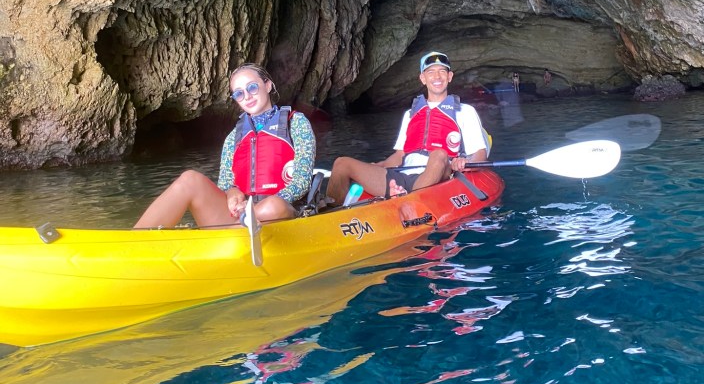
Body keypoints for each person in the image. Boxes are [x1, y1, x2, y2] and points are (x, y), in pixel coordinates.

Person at [134, 63, 316, 228]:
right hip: (238, 216)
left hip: (278, 213)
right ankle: (135, 241)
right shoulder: (233, 137)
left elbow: (302, 181)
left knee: (273, 205)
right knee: (190, 179)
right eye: (239, 93)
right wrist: (232, 194)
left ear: (267, 86)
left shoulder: (296, 123)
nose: (247, 96)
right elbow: (225, 185)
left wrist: (254, 208)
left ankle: (235, 230)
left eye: (252, 87)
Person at [326, 51, 490, 205]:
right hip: (401, 176)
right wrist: (380, 165)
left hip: (439, 173)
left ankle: (407, 201)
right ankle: (327, 214)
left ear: (450, 76)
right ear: (423, 78)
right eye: (430, 72)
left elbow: (480, 153)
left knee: (439, 154)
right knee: (342, 163)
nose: (437, 76)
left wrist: (466, 162)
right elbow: (399, 155)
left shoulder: (465, 111)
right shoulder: (410, 114)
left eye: (442, 71)